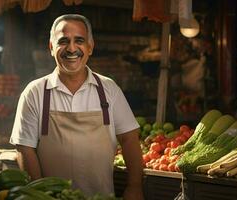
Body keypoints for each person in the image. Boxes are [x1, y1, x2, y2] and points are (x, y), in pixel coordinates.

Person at [10, 14, 144, 200]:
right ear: (51, 47)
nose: (71, 48)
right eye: (63, 41)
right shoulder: (35, 92)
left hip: (102, 197)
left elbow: (130, 140)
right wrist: (39, 194)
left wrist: (135, 187)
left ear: (90, 47)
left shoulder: (109, 89)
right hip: (52, 197)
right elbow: (25, 148)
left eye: (79, 40)